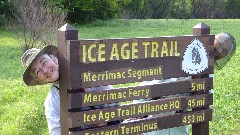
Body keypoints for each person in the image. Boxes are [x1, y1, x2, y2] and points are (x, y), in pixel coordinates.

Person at [131, 32, 236, 135]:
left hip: (179, 124)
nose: (219, 51)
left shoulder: (208, 69)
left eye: (225, 51)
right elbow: (151, 84)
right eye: (220, 45)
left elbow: (204, 97)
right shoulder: (184, 55)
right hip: (155, 118)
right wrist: (136, 111)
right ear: (214, 40)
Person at [21, 45, 120, 135]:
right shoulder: (52, 102)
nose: (45, 70)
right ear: (39, 79)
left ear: (54, 59)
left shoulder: (86, 75)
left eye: (44, 62)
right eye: (38, 71)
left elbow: (114, 103)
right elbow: (57, 132)